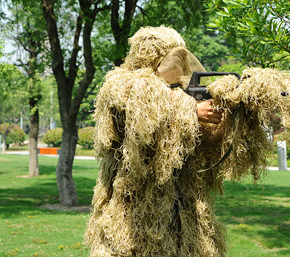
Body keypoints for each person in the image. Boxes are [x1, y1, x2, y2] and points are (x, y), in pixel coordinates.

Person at [85, 26, 228, 257]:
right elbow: (143, 102)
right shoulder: (120, 83)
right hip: (132, 213)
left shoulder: (180, 91)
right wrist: (192, 109)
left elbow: (205, 148)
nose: (177, 65)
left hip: (182, 210)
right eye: (170, 58)